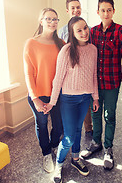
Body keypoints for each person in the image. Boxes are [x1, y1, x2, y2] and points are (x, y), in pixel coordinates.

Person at [81, 0, 122, 170]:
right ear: (98, 12)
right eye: (103, 10)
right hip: (94, 83)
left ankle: (108, 149)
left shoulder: (120, 30)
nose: (106, 13)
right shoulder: (92, 32)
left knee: (109, 116)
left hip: (112, 83)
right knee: (95, 115)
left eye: (109, 10)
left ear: (113, 11)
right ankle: (96, 143)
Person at [45, 16, 99, 183]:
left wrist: (95, 98)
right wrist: (52, 102)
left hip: (85, 99)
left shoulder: (93, 49)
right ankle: (59, 165)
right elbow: (58, 79)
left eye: (85, 28)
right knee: (68, 136)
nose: (84, 33)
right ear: (73, 33)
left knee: (77, 131)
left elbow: (93, 75)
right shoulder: (66, 50)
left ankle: (75, 159)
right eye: (79, 30)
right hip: (68, 99)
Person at [23, 8, 64, 173]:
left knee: (59, 127)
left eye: (55, 19)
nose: (53, 22)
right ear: (41, 21)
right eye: (48, 19)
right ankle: (46, 153)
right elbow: (28, 73)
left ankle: (54, 146)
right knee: (41, 124)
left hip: (57, 95)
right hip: (38, 94)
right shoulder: (31, 43)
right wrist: (35, 98)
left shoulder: (61, 44)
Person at [58, 0, 94, 138]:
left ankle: (88, 129)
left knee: (86, 105)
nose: (76, 10)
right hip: (68, 77)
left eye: (78, 7)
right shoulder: (62, 31)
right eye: (72, 8)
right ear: (68, 11)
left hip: (84, 75)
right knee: (68, 107)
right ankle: (68, 130)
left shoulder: (88, 29)